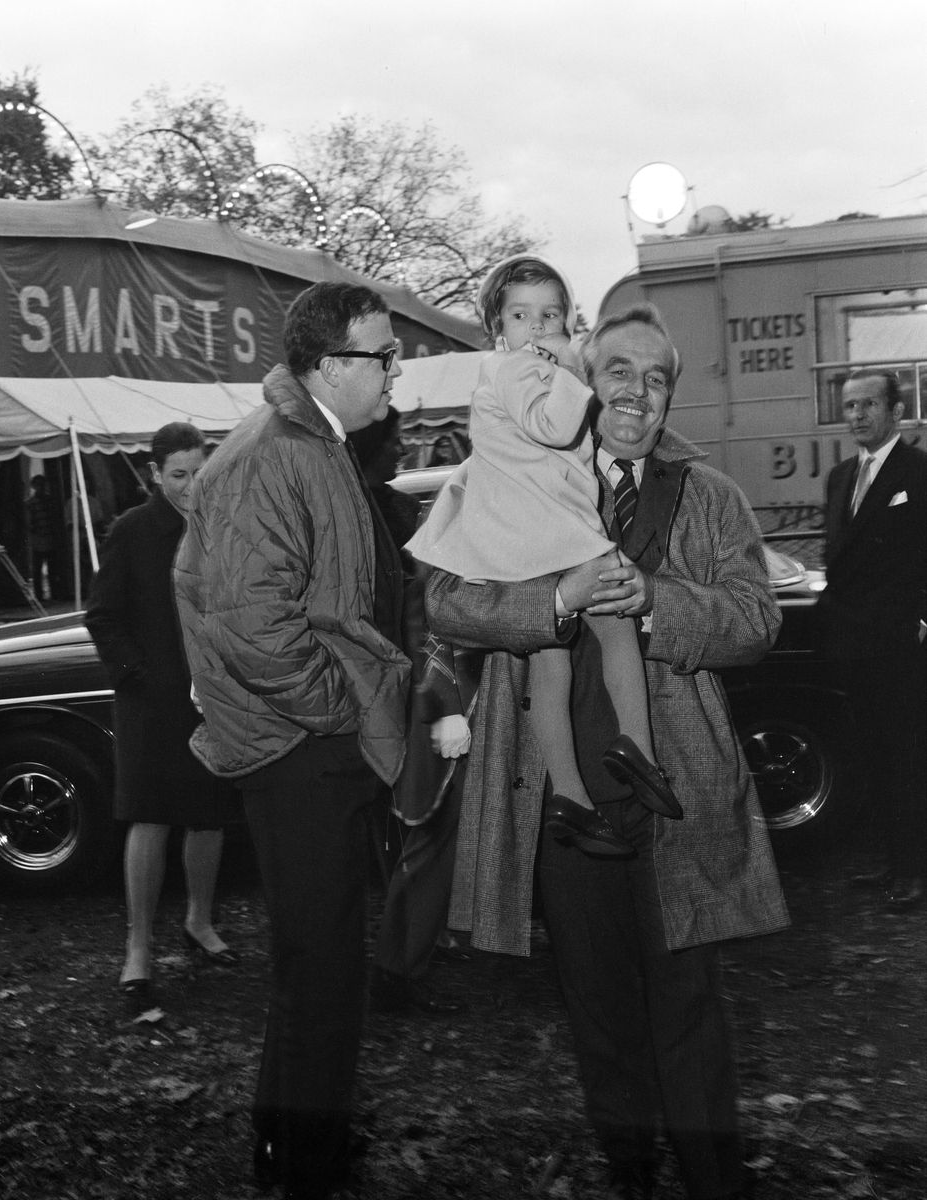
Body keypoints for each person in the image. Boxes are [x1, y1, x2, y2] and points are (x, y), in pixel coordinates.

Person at [427, 304, 790, 1200]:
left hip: (674, 787)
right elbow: (446, 599)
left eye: (655, 378)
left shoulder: (709, 496)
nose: (635, 392)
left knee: (688, 1001)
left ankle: (712, 1178)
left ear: (670, 396)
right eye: (618, 371)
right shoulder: (521, 468)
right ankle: (629, 1170)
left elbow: (755, 618)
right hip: (558, 791)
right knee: (596, 1006)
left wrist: (657, 604)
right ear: (588, 381)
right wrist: (553, 600)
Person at [175, 282, 411, 1200]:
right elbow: (249, 619)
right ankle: (305, 1165)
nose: (396, 372)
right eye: (382, 356)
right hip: (301, 751)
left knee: (311, 966)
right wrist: (337, 712)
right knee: (323, 973)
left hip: (299, 745)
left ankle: (286, 1142)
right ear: (327, 367)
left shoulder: (306, 445)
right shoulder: (279, 453)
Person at [407, 255, 681, 857]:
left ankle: (571, 794)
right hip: (542, 528)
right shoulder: (518, 371)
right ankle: (638, 745)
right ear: (497, 326)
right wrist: (572, 369)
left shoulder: (521, 370)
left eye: (551, 314)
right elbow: (555, 430)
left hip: (535, 527)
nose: (538, 327)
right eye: (522, 315)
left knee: (550, 659)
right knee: (614, 626)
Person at [85, 423, 241, 1019]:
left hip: (213, 699)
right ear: (154, 473)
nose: (191, 485)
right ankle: (139, 949)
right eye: (178, 475)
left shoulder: (222, 525)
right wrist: (139, 676)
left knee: (208, 815)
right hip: (150, 704)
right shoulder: (130, 532)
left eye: (199, 471)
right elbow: (102, 617)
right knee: (148, 820)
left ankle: (200, 922)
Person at [348, 410, 471, 1016]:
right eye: (393, 440)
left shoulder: (398, 506)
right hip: (431, 691)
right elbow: (421, 606)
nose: (401, 449)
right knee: (430, 833)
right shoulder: (371, 507)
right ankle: (395, 966)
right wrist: (430, 696)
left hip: (444, 686)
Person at [817, 370, 927, 910]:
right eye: (849, 406)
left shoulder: (919, 472)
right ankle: (893, 865)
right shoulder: (840, 478)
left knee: (909, 761)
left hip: (903, 649)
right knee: (873, 761)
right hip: (853, 650)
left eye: (867, 405)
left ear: (896, 411)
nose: (856, 415)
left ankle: (915, 873)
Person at [25, 474, 61, 602]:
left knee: (53, 568)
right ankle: (39, 596)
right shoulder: (30, 504)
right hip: (38, 540)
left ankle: (55, 593)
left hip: (50, 538)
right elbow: (29, 522)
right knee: (37, 569)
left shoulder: (50, 501)